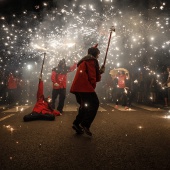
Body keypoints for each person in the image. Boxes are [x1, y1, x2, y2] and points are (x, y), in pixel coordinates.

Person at [70, 44, 105, 136]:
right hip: (84, 86)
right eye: (98, 54)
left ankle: (76, 123)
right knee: (95, 103)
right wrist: (92, 86)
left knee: (85, 105)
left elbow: (92, 73)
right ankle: (85, 124)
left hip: (78, 87)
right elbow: (92, 76)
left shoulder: (85, 60)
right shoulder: (92, 60)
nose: (99, 56)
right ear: (95, 53)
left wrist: (100, 71)